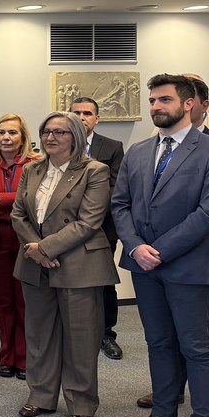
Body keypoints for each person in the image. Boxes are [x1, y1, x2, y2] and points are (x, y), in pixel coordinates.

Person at [113, 74, 209, 417]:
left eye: (164, 99)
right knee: (158, 341)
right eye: (152, 100)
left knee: (197, 347)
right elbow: (120, 205)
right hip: (143, 265)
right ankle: (164, 416)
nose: (155, 106)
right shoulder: (138, 152)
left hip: (191, 265)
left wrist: (160, 251)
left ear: (188, 103)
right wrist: (136, 247)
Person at [10, 112, 119, 417]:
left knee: (80, 337)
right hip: (35, 263)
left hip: (78, 263)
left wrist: (45, 248)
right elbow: (18, 214)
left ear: (76, 136)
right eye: (46, 131)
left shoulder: (94, 170)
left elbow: (89, 221)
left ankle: (81, 401)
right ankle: (41, 395)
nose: (50, 137)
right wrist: (36, 249)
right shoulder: (32, 169)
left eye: (59, 132)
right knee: (40, 334)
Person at [0, 114, 38, 381]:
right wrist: (14, 211)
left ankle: (24, 358)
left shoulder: (36, 164)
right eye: (1, 132)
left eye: (12, 132)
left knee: (25, 300)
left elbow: (34, 200)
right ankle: (7, 356)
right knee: (1, 301)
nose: (6, 137)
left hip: (27, 241)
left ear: (22, 137)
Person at [70, 96, 126, 361]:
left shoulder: (112, 147)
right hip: (65, 227)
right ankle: (74, 333)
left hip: (102, 227)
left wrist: (88, 214)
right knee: (69, 280)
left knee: (103, 282)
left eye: (87, 113)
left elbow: (115, 187)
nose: (82, 118)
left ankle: (106, 334)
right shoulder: (59, 143)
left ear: (97, 118)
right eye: (76, 113)